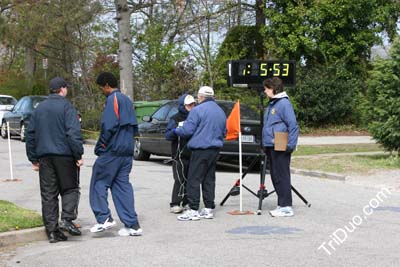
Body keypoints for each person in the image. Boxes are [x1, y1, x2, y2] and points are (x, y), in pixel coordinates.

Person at [26, 77, 84, 243]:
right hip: (64, 156)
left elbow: (30, 135)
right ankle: (67, 218)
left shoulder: (39, 109)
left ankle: (52, 231)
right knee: (70, 189)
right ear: (63, 89)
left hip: (44, 157)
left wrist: (33, 158)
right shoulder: (67, 107)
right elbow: (73, 134)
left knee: (49, 194)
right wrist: (78, 155)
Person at [89, 72, 142, 236]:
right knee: (122, 186)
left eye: (101, 88)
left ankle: (104, 218)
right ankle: (132, 225)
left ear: (106, 85)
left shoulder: (113, 100)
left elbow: (108, 126)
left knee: (98, 182)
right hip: (126, 152)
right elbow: (135, 127)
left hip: (112, 151)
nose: (101, 91)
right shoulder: (127, 100)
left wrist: (101, 146)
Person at [173, 86, 226, 221]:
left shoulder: (197, 110)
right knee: (209, 179)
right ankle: (208, 208)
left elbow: (187, 130)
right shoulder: (220, 111)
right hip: (215, 149)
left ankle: (194, 209)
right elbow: (224, 132)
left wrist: (176, 130)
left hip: (200, 149)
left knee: (194, 179)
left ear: (200, 97)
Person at [262, 77, 299, 217]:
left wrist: (290, 145)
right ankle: (281, 204)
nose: (265, 91)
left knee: (282, 175)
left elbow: (293, 125)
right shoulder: (273, 104)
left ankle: (286, 206)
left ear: (273, 89)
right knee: (275, 175)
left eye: (266, 88)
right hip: (271, 144)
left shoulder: (283, 103)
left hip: (280, 142)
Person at [165, 94, 196, 213]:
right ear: (183, 105)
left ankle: (187, 202)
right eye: (189, 105)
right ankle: (175, 203)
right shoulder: (175, 118)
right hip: (179, 155)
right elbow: (167, 135)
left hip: (193, 153)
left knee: (190, 179)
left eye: (193, 104)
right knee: (179, 179)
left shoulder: (196, 117)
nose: (191, 107)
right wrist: (176, 130)